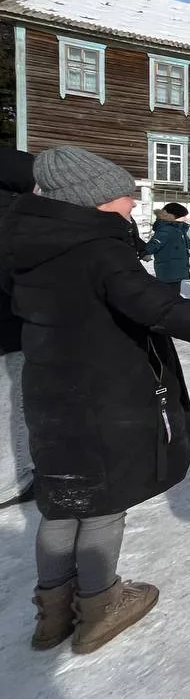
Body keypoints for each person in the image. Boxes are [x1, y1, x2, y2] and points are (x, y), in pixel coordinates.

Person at [0, 146, 190, 655]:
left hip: (50, 391)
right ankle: (98, 603)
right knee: (103, 503)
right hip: (104, 393)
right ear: (90, 201)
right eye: (123, 197)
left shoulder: (26, 241)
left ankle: (52, 612)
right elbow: (155, 304)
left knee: (62, 499)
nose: (133, 205)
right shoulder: (98, 249)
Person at [0, 148, 35, 508]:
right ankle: (14, 481)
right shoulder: (10, 214)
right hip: (8, 328)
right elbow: (15, 278)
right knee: (13, 403)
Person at [145, 203, 190, 300]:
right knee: (169, 295)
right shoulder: (166, 230)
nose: (186, 219)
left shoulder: (178, 228)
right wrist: (145, 252)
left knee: (173, 294)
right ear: (174, 216)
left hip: (176, 268)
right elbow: (153, 244)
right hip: (168, 269)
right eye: (183, 216)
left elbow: (187, 242)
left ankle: (171, 310)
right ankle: (168, 312)